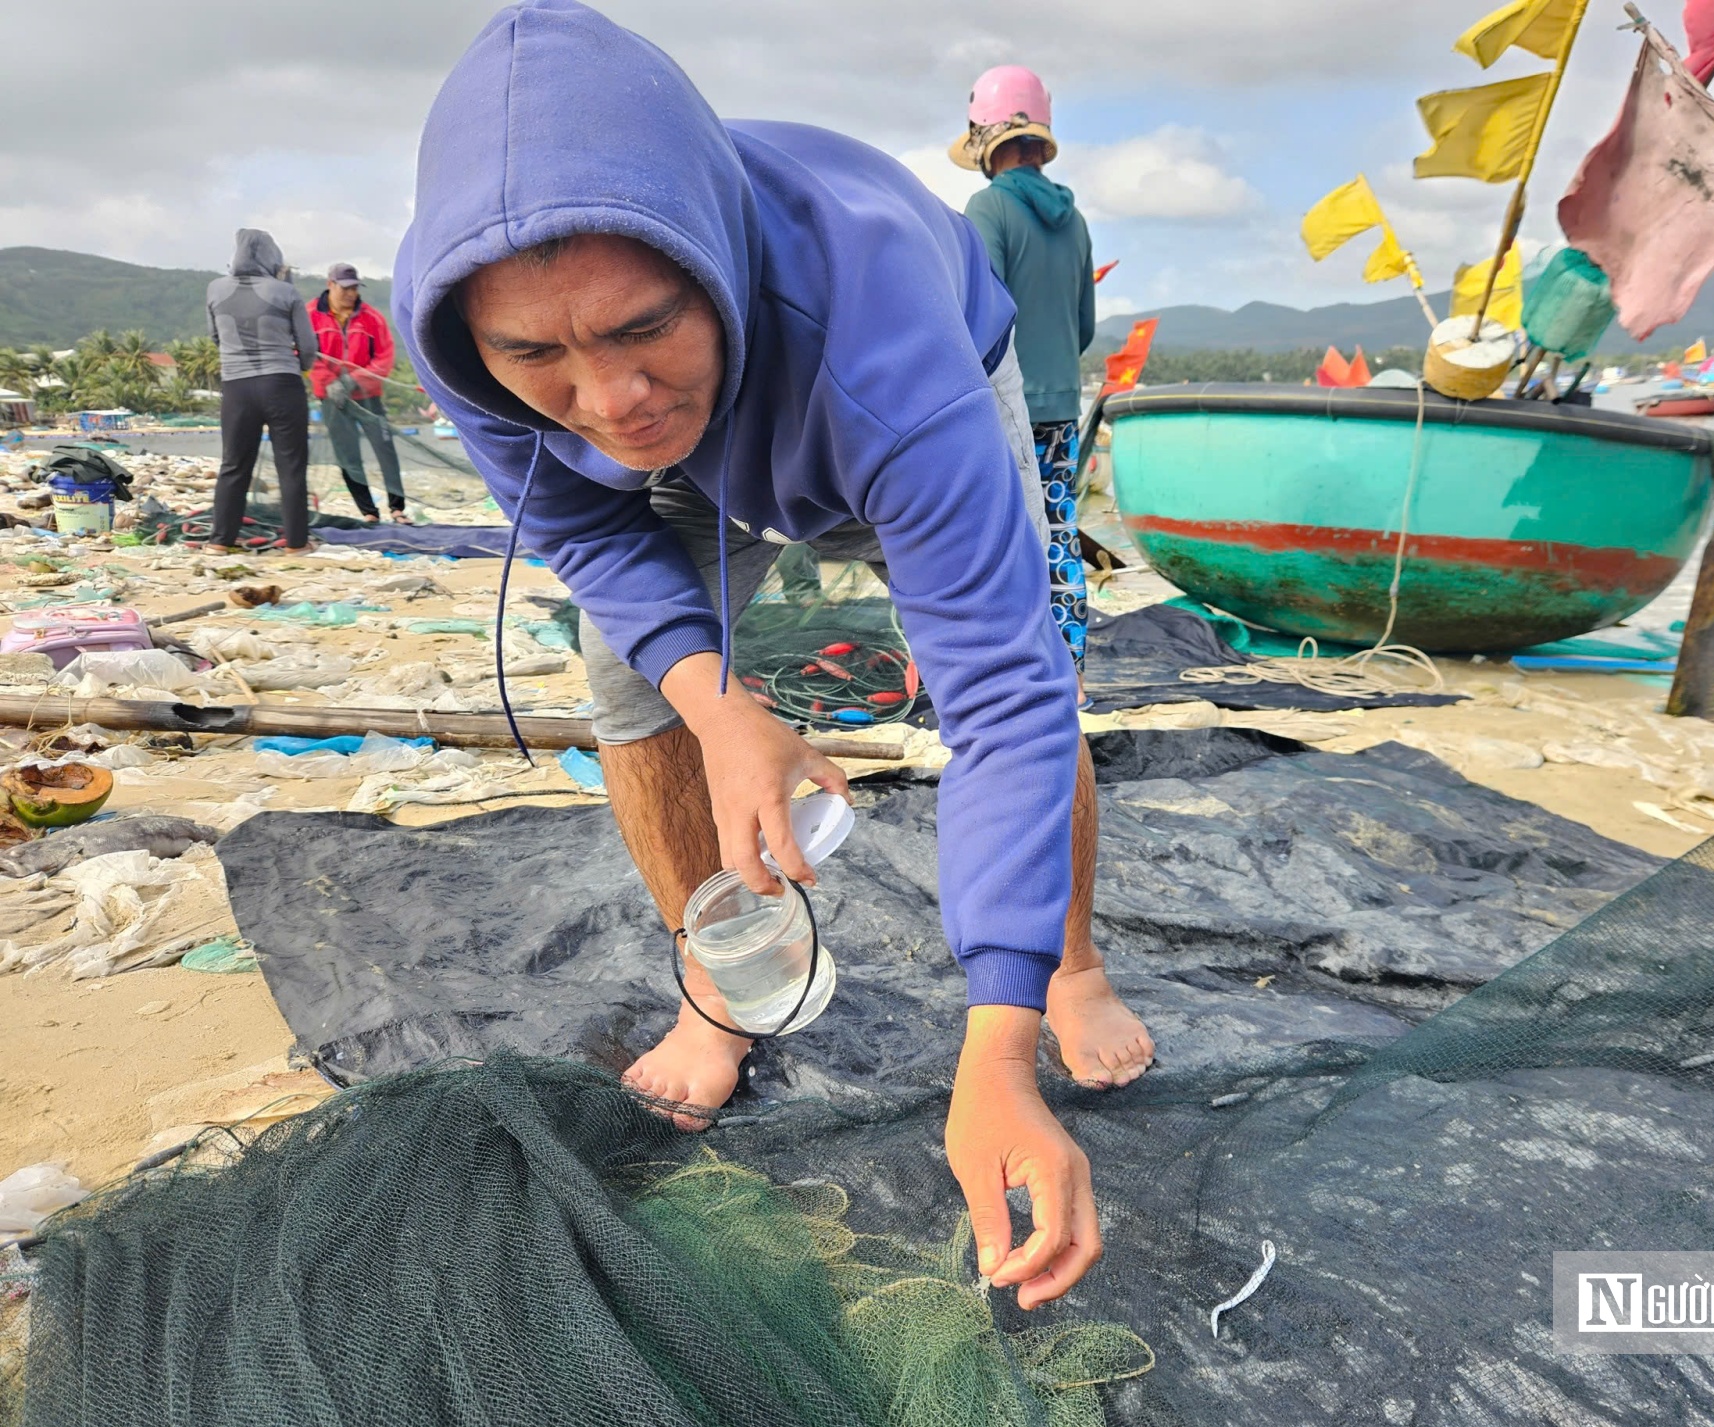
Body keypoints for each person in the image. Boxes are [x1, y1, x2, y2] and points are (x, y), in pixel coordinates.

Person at [399, 0, 1152, 1310]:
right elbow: (586, 525)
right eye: (539, 355)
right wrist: (720, 703)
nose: (607, 396)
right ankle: (721, 992)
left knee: (1034, 672)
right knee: (633, 679)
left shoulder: (883, 350)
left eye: (641, 328)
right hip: (709, 458)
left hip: (873, 398)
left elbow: (1000, 701)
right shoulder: (488, 347)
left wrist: (998, 1056)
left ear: (713, 269)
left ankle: (1069, 963)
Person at [956, 67, 1096, 679]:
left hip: (1006, 407)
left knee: (1002, 540)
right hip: (1062, 403)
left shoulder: (987, 208)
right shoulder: (1077, 221)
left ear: (988, 143)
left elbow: (976, 314)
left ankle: (1015, 680)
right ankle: (1073, 678)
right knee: (1060, 530)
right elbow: (1084, 325)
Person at [205, 229, 317, 554]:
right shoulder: (285, 292)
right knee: (291, 466)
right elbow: (308, 346)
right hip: (282, 384)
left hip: (236, 388)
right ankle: (296, 543)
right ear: (273, 257)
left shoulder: (214, 288)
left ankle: (220, 541)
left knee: (234, 464)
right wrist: (300, 366)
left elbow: (215, 337)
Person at [310, 262, 409, 522]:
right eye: (344, 288)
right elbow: (305, 353)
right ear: (330, 284)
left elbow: (385, 357)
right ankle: (368, 512)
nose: (350, 293)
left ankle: (397, 508)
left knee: (385, 449)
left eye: (354, 288)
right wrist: (329, 381)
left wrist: (354, 379)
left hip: (367, 396)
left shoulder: (372, 317)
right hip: (333, 399)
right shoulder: (310, 315)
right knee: (348, 455)